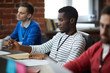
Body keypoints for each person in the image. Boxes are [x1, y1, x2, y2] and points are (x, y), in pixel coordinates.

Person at [8, 6, 86, 66]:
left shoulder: (78, 40)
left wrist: (46, 58)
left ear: (72, 20)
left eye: (61, 20)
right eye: (58, 20)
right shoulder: (59, 35)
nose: (58, 23)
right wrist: (20, 47)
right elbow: (42, 48)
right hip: (47, 67)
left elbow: (69, 67)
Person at [63, 6, 110, 73]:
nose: (103, 32)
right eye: (102, 25)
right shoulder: (97, 47)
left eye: (109, 27)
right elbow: (76, 64)